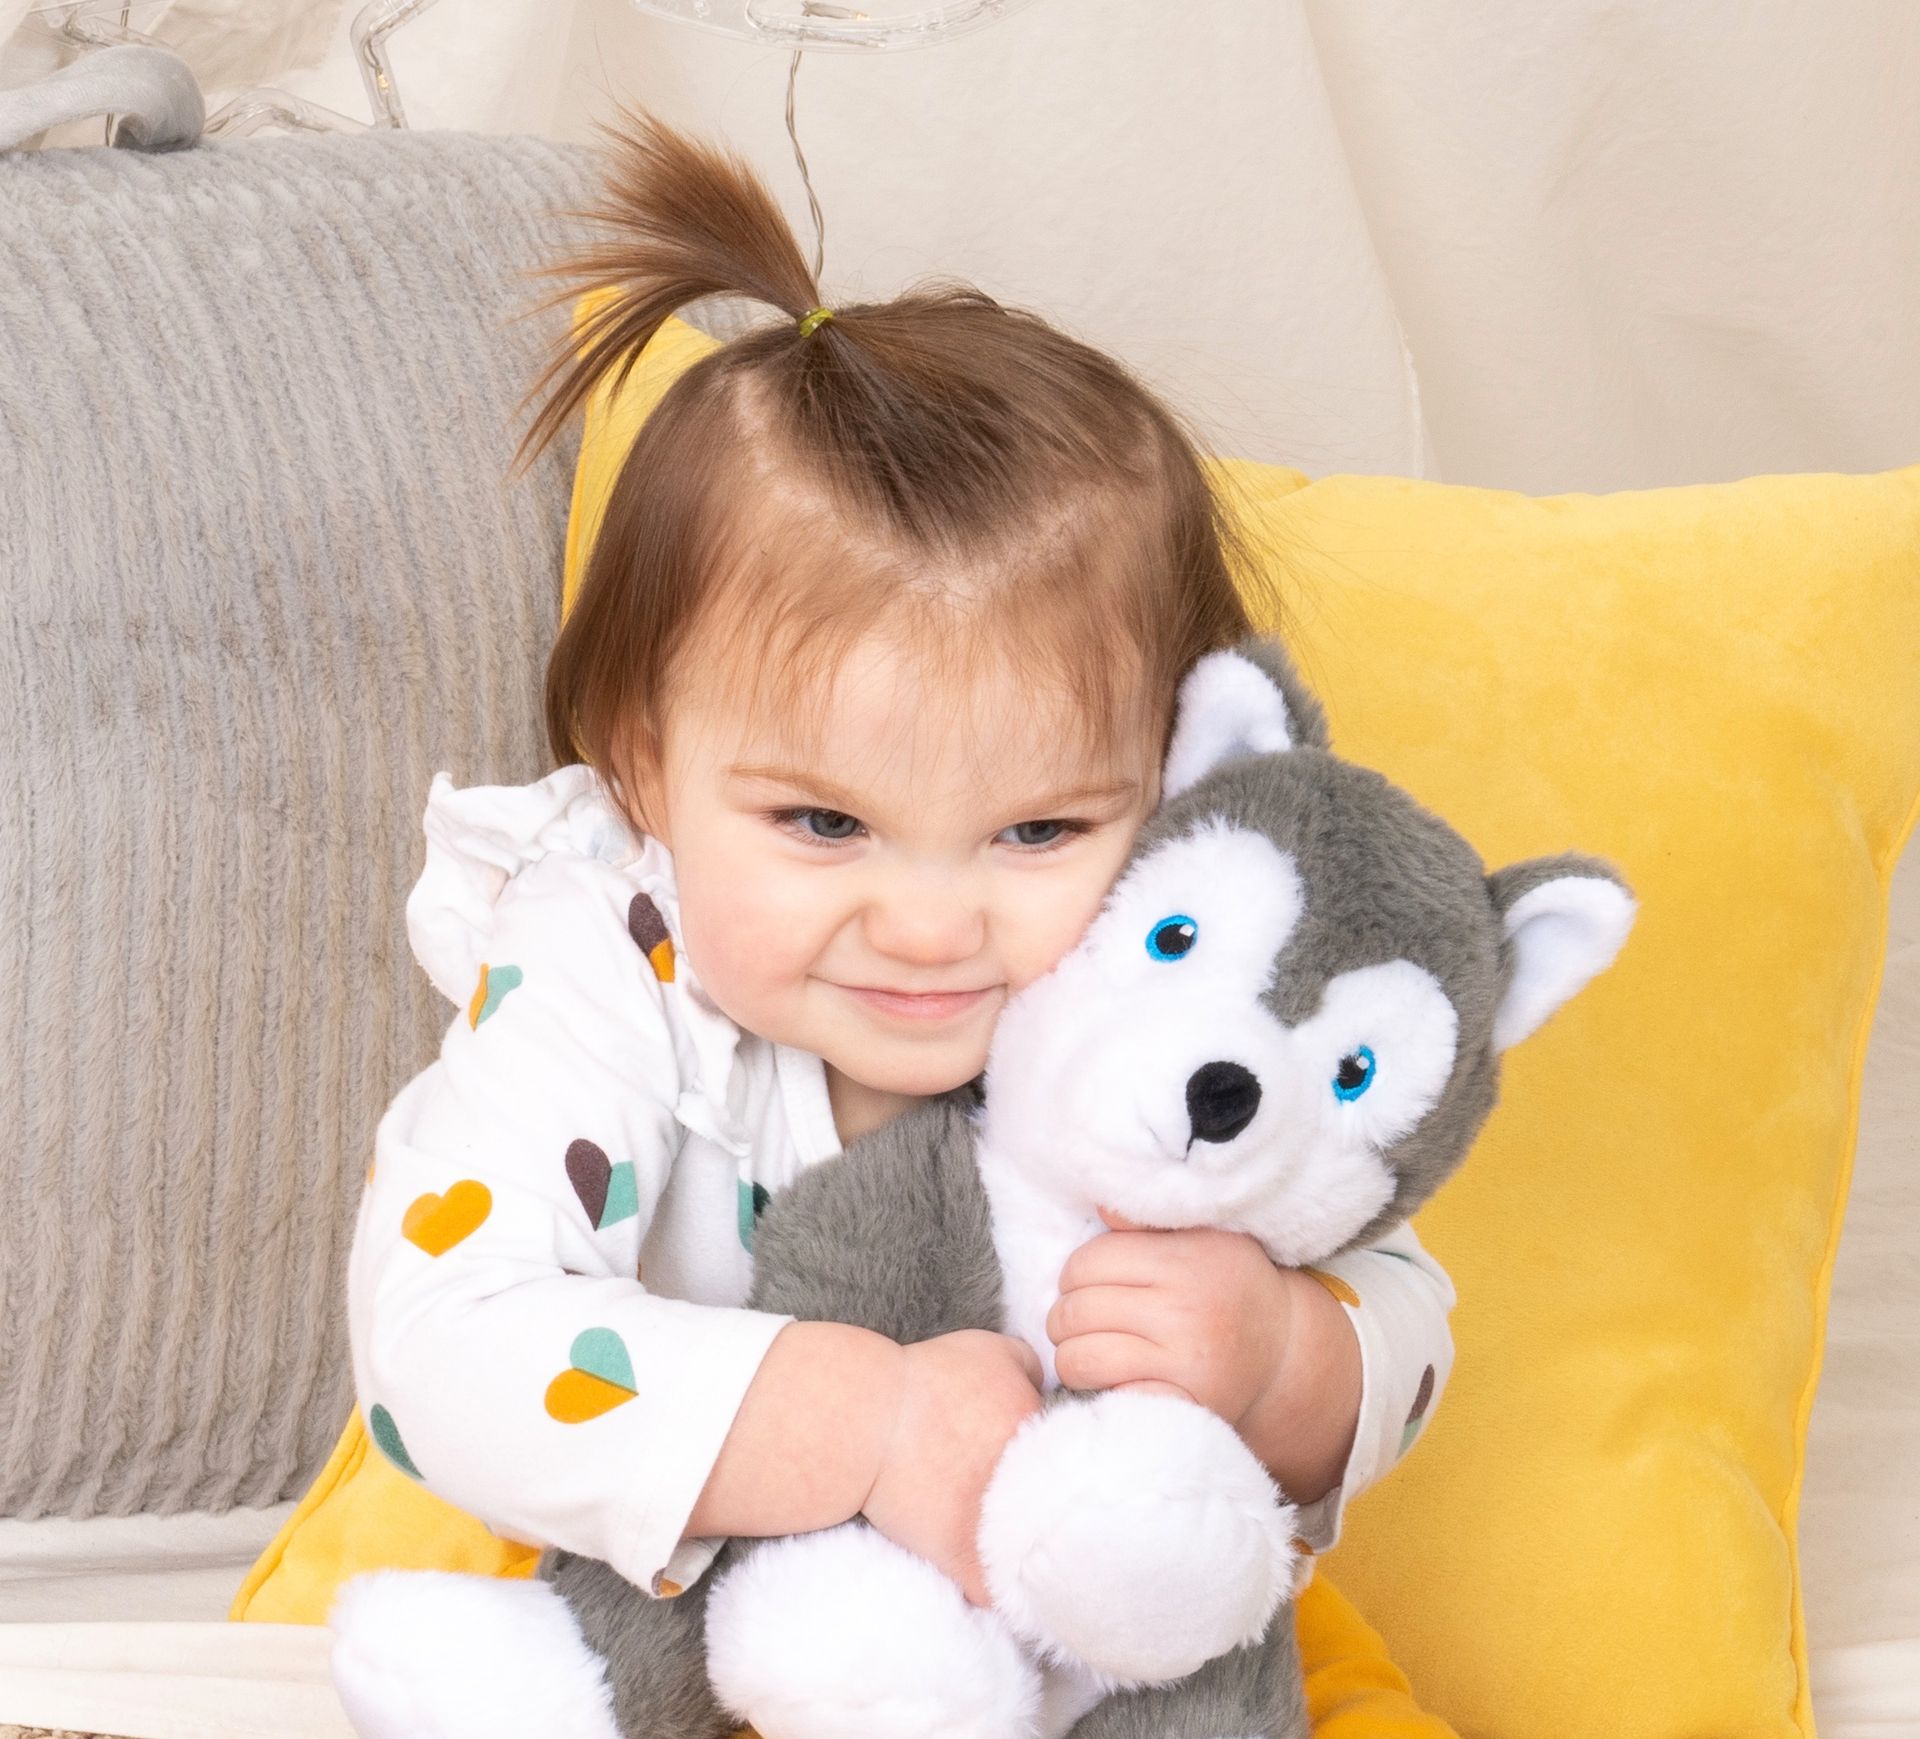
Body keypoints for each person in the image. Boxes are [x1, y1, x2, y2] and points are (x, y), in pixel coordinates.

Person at [348, 107, 1454, 1625]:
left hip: (1085, 1637)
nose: (933, 926)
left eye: (1040, 831)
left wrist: (1285, 1356)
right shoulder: (607, 959)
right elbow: (440, 1338)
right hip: (665, 1622)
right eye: (823, 824)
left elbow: (1399, 1285)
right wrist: (865, 1430)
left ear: (1181, 773)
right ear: (640, 763)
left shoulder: (1176, 976)